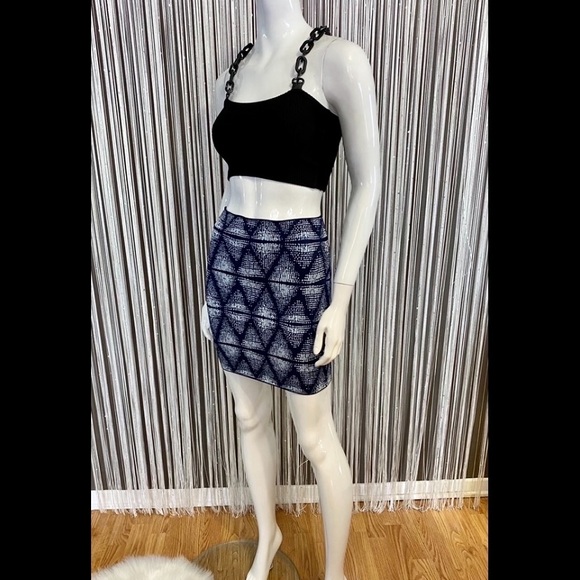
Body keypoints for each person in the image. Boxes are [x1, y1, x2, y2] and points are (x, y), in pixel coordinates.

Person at [201, 1, 381, 579]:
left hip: (297, 269)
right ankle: (267, 537)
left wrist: (341, 297)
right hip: (231, 264)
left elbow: (370, 181)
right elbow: (234, 187)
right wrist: (210, 289)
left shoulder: (337, 60)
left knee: (316, 438)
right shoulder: (233, 71)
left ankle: (335, 573)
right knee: (249, 418)